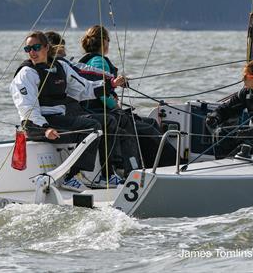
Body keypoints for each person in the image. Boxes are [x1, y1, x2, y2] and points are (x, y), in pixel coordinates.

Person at [10, 30, 128, 191]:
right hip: (36, 125)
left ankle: (106, 175)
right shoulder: (26, 74)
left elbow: (84, 89)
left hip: (59, 119)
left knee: (108, 120)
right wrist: (45, 129)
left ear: (45, 47)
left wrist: (110, 85)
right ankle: (71, 177)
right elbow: (28, 109)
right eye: (27, 49)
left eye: (35, 47)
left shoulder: (61, 67)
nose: (31, 52)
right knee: (92, 126)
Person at [77, 25, 175, 168]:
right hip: (100, 112)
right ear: (104, 41)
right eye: (108, 40)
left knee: (150, 123)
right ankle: (165, 166)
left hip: (95, 112)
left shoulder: (90, 60)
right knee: (148, 129)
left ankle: (152, 165)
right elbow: (102, 93)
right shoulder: (99, 61)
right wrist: (116, 108)